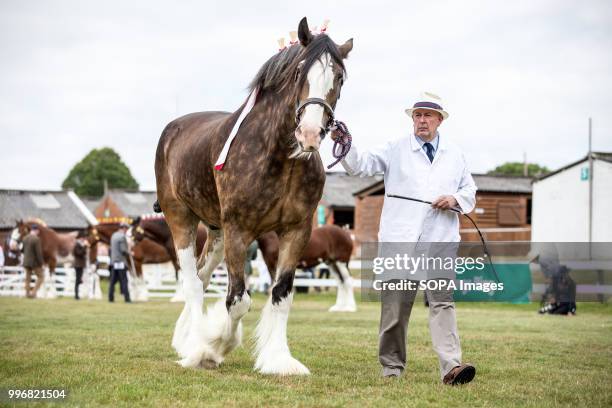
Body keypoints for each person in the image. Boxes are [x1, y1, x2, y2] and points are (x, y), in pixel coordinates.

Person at [334, 92, 477, 385]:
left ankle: (451, 367)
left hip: (441, 239)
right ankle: (391, 367)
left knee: (442, 302)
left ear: (440, 120)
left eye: (427, 115)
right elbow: (361, 164)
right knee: (395, 307)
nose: (421, 120)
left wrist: (454, 199)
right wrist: (345, 143)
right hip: (401, 239)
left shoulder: (456, 154)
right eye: (417, 115)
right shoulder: (395, 149)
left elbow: (469, 191)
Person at [109, 223, 131, 303]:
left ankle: (110, 298)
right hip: (121, 261)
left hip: (113, 262)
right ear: (124, 228)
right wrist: (130, 253)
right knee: (124, 280)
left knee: (112, 281)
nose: (126, 231)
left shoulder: (113, 235)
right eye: (126, 229)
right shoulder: (122, 237)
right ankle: (127, 299)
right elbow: (123, 250)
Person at [22, 225, 45, 299]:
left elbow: (22, 250)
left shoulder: (25, 238)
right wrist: (41, 263)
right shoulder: (36, 239)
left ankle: (27, 294)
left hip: (26, 261)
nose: (38, 232)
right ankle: (33, 293)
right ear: (36, 230)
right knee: (41, 277)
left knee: (27, 278)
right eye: (38, 231)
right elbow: (38, 253)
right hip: (34, 262)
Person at [73, 231, 88, 300]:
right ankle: (76, 295)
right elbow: (79, 253)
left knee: (79, 280)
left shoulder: (80, 245)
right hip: (78, 265)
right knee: (78, 280)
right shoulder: (77, 245)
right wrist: (84, 247)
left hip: (81, 265)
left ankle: (78, 294)